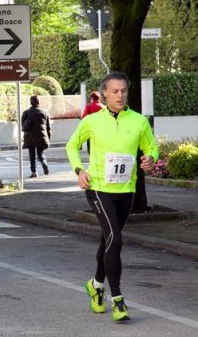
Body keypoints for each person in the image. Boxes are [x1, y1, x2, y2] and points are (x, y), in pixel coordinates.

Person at [66, 71, 159, 323]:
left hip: (126, 190)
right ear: (105, 93)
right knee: (115, 239)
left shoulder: (139, 121)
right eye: (115, 91)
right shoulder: (92, 121)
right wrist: (79, 170)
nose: (120, 95)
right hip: (98, 187)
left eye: (124, 91)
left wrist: (150, 158)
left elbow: (151, 146)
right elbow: (72, 145)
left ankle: (95, 284)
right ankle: (117, 299)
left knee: (107, 240)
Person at [21, 95, 51, 178]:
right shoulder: (44, 112)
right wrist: (48, 138)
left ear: (31, 102)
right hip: (42, 136)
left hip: (30, 137)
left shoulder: (26, 113)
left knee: (32, 155)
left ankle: (34, 172)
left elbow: (23, 126)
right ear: (39, 102)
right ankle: (44, 163)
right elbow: (48, 127)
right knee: (40, 153)